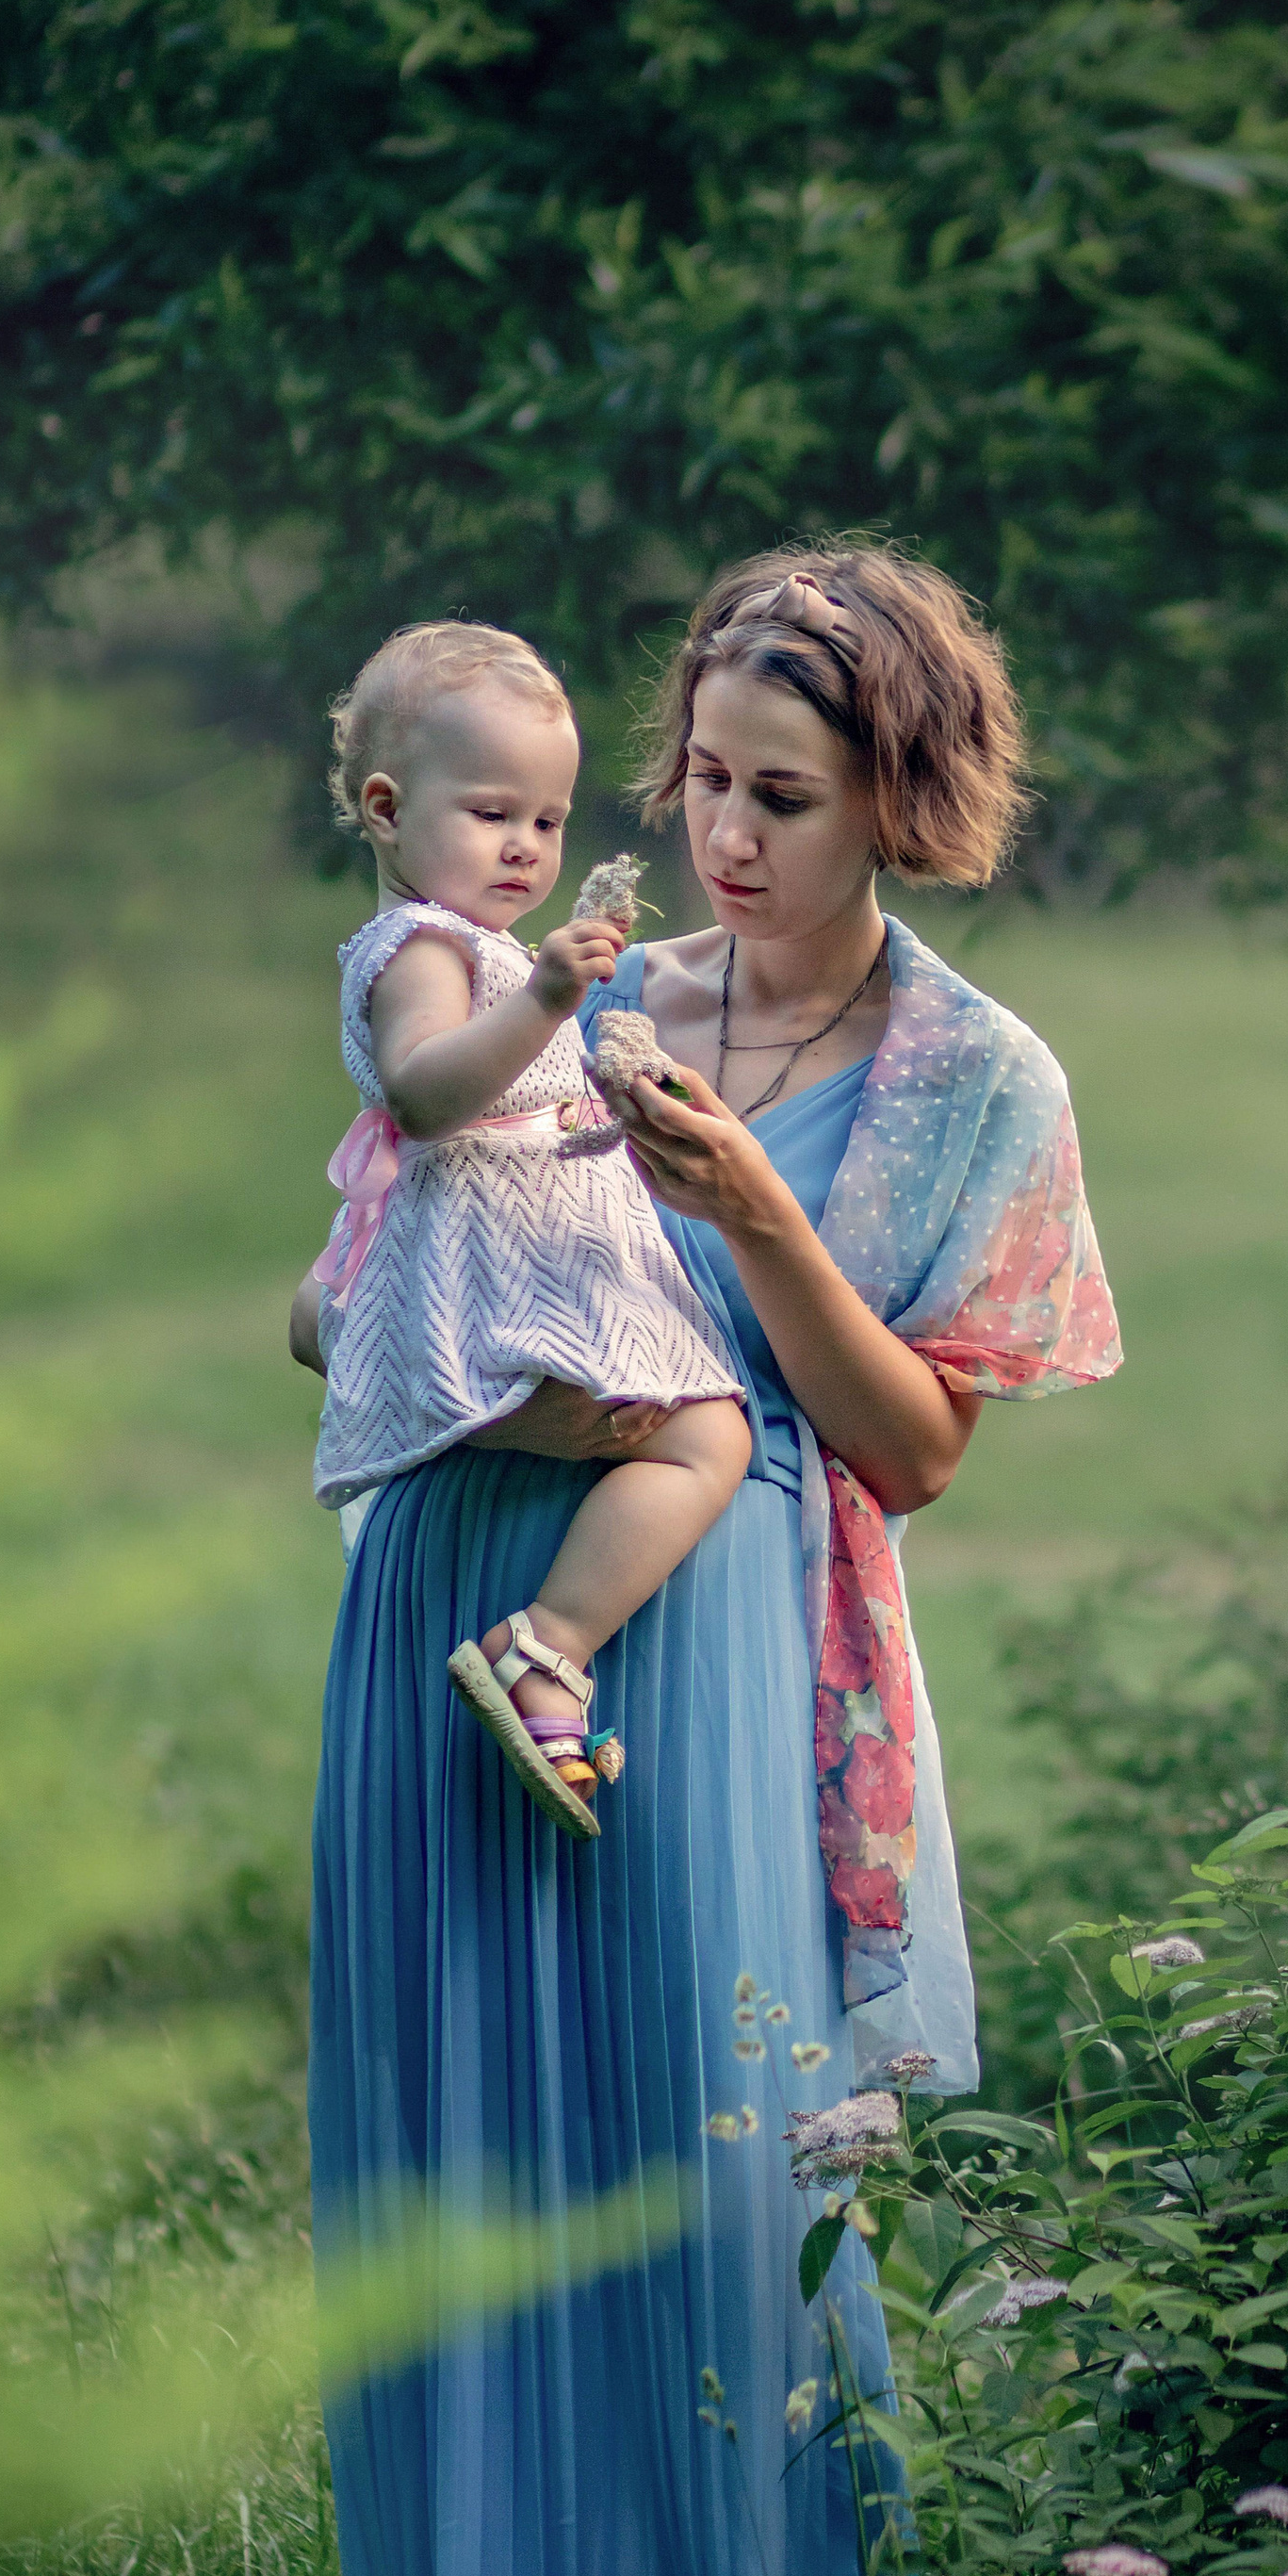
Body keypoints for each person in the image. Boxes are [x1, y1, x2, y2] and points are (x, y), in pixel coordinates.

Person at [298, 547, 1122, 2576]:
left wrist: (754, 1205)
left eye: (785, 794)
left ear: (898, 807)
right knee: (464, 2152)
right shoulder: (560, 990)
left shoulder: (970, 1076)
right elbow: (358, 1251)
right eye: (701, 781)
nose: (727, 837)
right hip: (458, 1581)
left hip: (720, 1637)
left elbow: (917, 1452)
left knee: (705, 2168)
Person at [302, 619, 749, 1829]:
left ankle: (546, 1636)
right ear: (388, 808)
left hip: (514, 1249)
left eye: (547, 822)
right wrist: (548, 997)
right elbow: (424, 1091)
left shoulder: (480, 946)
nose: (526, 847)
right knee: (708, 1436)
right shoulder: (424, 949)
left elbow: (515, 1103)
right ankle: (545, 1643)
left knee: (697, 1432)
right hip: (495, 1276)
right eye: (493, 812)